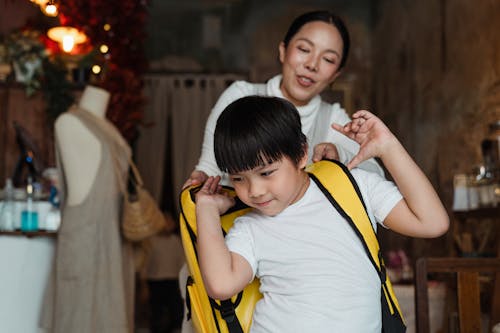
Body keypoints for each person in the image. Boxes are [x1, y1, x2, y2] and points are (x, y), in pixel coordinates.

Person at [195, 96, 449, 332]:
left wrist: (387, 147)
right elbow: (221, 285)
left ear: (301, 154)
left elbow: (432, 223)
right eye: (238, 178)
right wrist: (206, 210)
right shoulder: (250, 226)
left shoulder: (352, 187)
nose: (255, 191)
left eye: (266, 173)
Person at [183, 10, 384, 189]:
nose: (312, 64)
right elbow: (210, 169)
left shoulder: (332, 119)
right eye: (304, 49)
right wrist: (199, 185)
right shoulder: (240, 96)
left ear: (335, 75)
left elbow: (376, 177)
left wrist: (340, 153)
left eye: (328, 59)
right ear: (283, 51)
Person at [40, 85, 135, 332]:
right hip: (83, 231)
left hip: (114, 235)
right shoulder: (68, 123)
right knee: (78, 313)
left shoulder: (108, 128)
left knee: (110, 313)